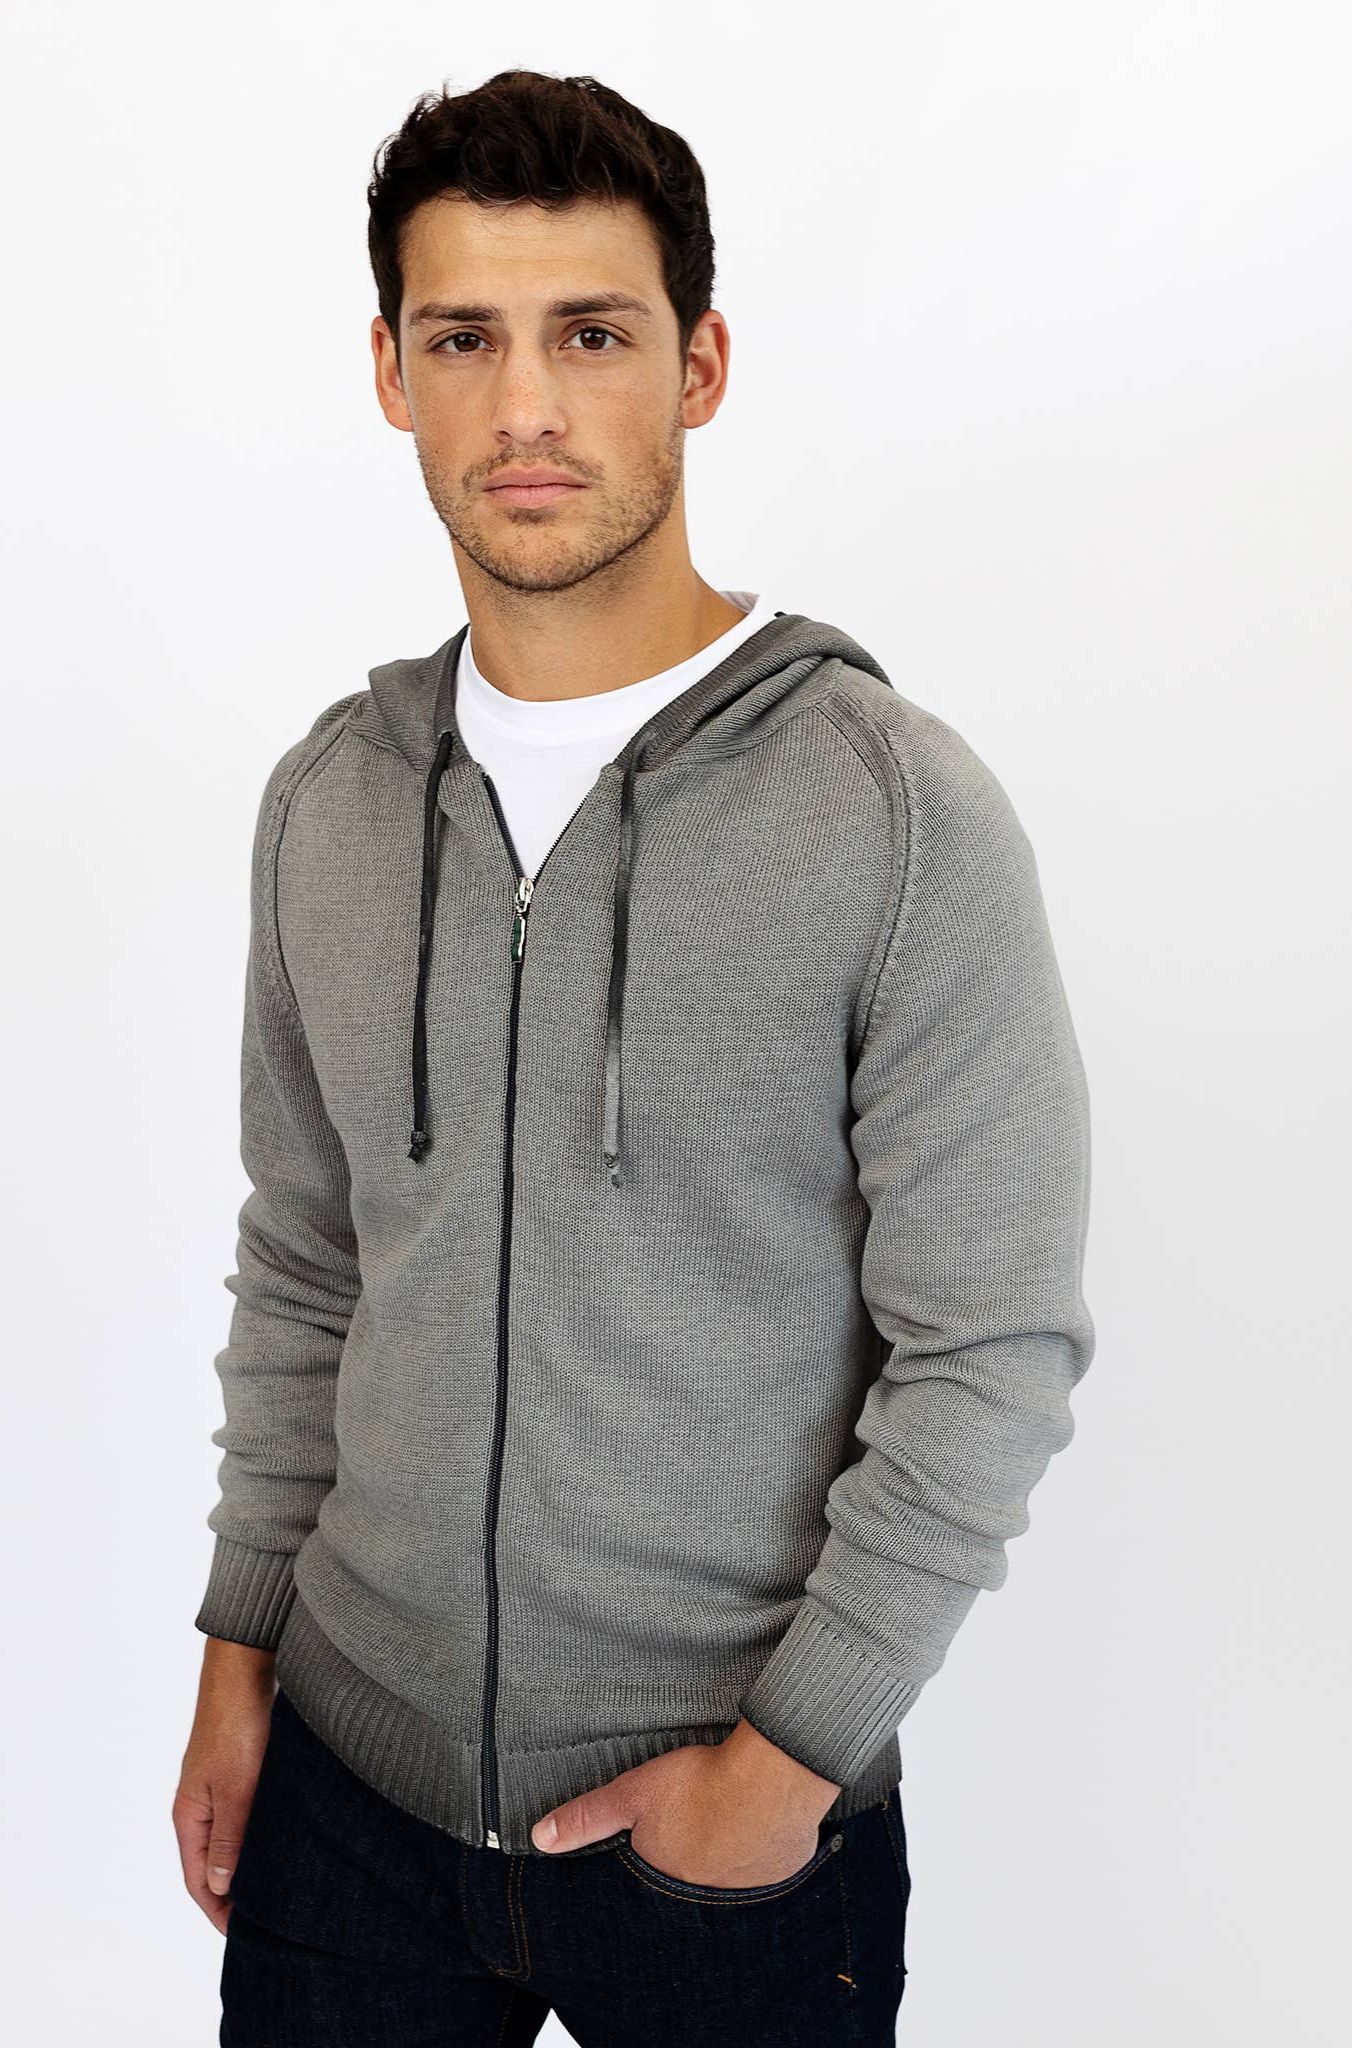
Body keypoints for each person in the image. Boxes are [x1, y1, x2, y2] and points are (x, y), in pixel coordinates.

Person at [171, 66, 1097, 2047]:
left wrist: (787, 1764)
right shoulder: (332, 806)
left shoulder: (891, 810)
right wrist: (238, 1653)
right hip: (349, 1799)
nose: (525, 406)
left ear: (699, 365)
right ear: (390, 373)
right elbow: (308, 1261)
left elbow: (990, 1344)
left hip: (730, 1840)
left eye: (589, 335)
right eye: (463, 339)